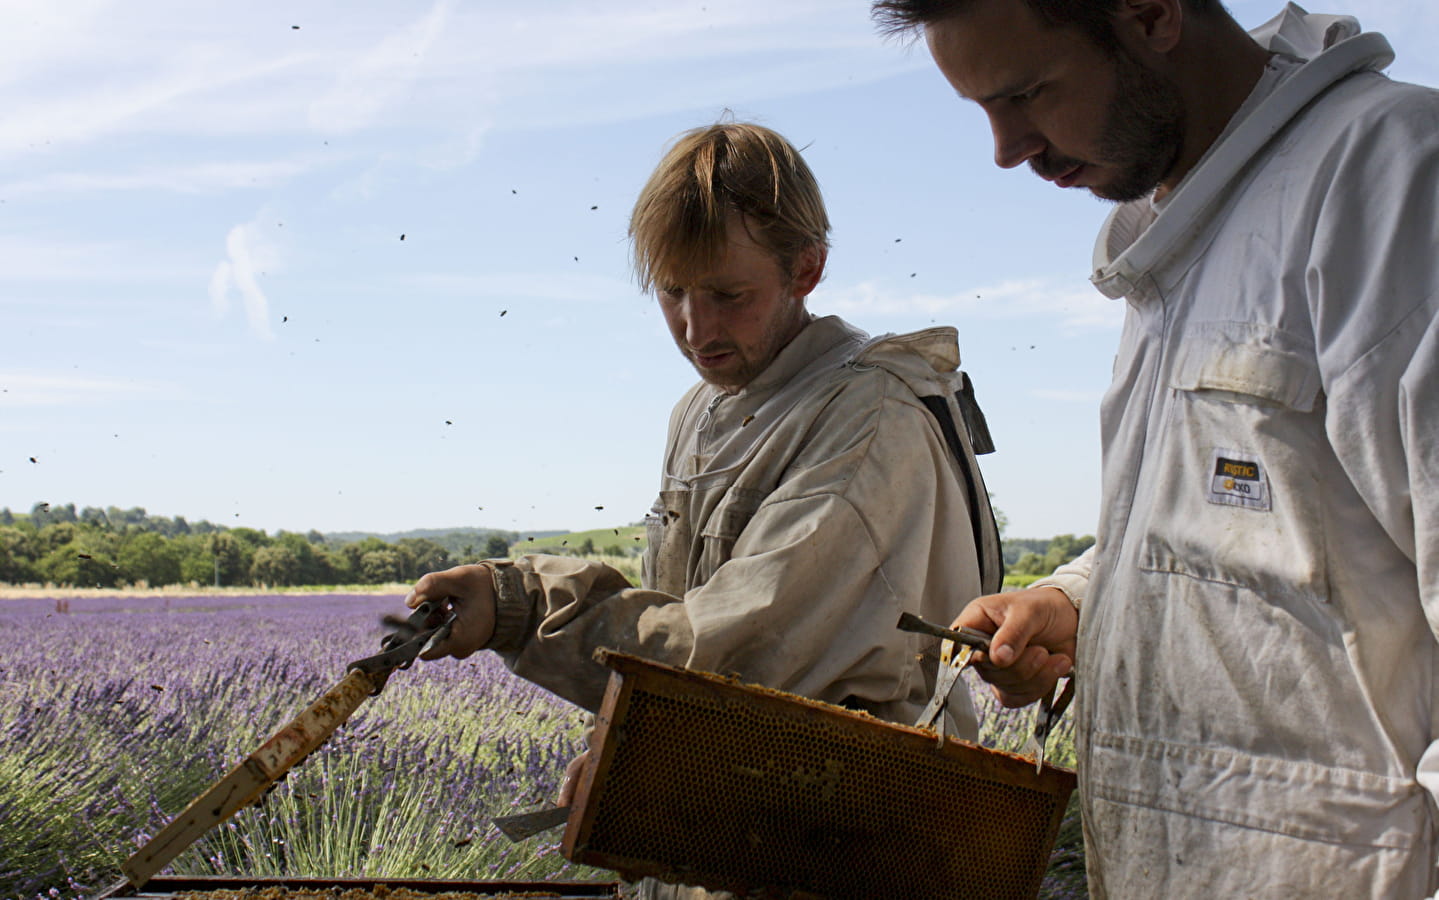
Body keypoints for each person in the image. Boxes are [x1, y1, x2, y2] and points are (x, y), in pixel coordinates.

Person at [872, 0, 1439, 896]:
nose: (1006, 148)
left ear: (1149, 14)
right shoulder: (1178, 239)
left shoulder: (1390, 175)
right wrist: (1077, 602)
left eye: (1025, 94)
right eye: (983, 109)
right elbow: (1258, 528)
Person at [402, 121, 1002, 898]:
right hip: (737, 813)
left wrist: (523, 607)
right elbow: (688, 612)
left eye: (728, 294)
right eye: (673, 292)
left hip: (847, 836)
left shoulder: (867, 420)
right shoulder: (707, 406)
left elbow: (737, 655)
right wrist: (632, 754)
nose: (696, 328)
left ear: (806, 269)